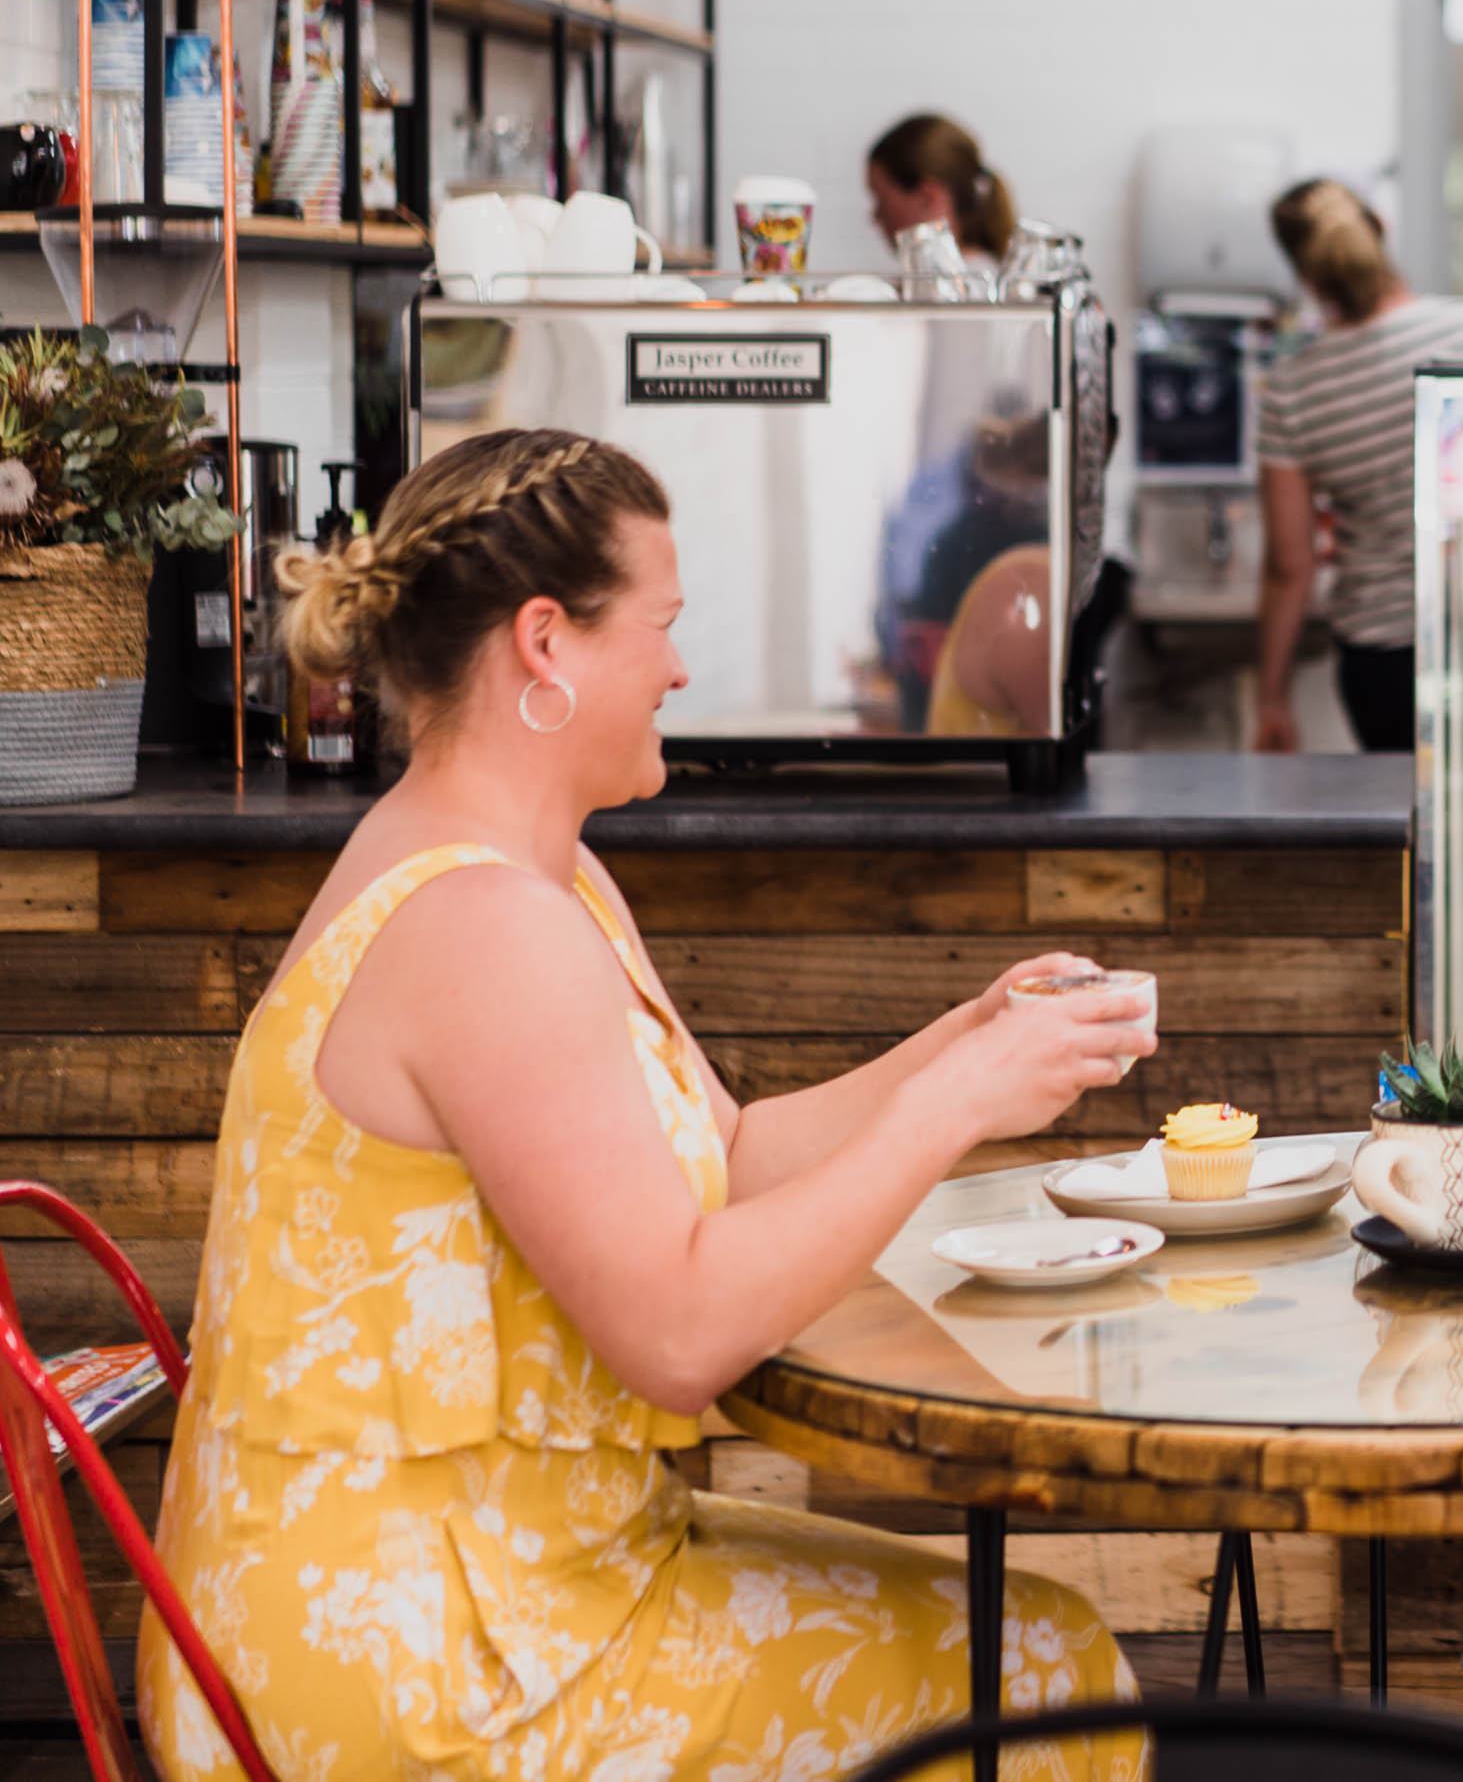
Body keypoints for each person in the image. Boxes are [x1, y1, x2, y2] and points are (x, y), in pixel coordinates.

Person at [136, 428, 1151, 1781]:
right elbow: (678, 1332)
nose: (680, 668)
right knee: (1043, 1678)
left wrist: (960, 1038)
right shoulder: (484, 924)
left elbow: (725, 1151)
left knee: (1039, 1648)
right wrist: (957, 1104)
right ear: (545, 644)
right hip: (420, 1656)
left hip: (505, 1576)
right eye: (662, 627)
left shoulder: (534, 879)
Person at [1250, 178, 1463, 754]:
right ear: (1380, 232)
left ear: (1304, 274)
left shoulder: (1294, 388)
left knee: (1414, 832)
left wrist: (1271, 700)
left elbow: (1290, 566)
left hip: (1384, 661)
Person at [867, 110, 1019, 266]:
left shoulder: (966, 286)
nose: (875, 217)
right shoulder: (986, 275)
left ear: (928, 196)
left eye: (881, 200)